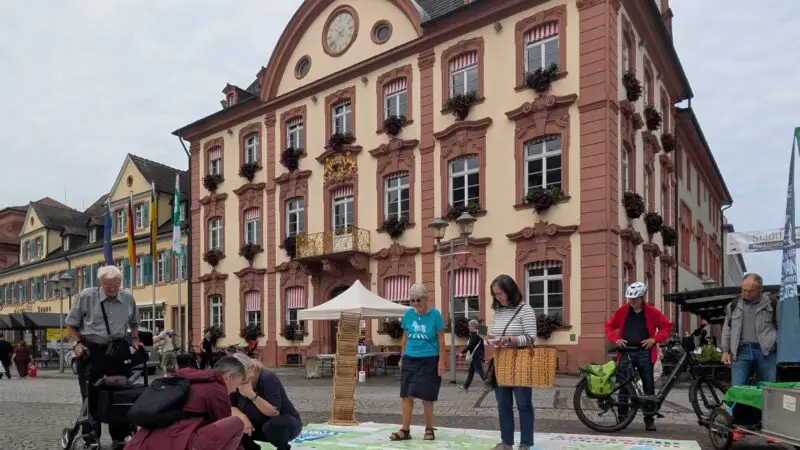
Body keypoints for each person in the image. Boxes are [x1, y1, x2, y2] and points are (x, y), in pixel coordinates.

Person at [65, 265, 141, 449]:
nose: (113, 289)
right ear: (101, 283)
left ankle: (120, 436)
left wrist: (135, 339)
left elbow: (134, 322)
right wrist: (77, 344)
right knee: (91, 395)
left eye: (117, 284)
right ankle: (91, 436)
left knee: (120, 393)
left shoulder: (128, 298)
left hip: (118, 350)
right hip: (92, 350)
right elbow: (70, 325)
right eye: (108, 285)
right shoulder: (86, 297)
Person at [126, 356, 249, 450]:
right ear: (229, 376)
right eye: (237, 384)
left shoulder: (189, 379)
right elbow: (223, 430)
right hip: (176, 441)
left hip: (143, 441)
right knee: (236, 423)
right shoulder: (217, 390)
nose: (235, 390)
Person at [605, 281, 671, 432]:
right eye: (629, 299)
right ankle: (622, 419)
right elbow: (609, 326)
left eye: (634, 299)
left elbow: (666, 327)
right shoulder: (623, 311)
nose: (631, 302)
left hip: (644, 353)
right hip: (625, 352)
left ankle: (649, 419)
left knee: (648, 387)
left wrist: (655, 339)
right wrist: (616, 340)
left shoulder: (652, 312)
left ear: (642, 298)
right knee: (623, 388)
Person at [486, 274, 538, 450]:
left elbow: (531, 338)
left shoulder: (526, 309)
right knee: (503, 405)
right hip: (501, 361)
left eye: (500, 293)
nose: (497, 297)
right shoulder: (498, 311)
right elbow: (496, 334)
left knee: (523, 404)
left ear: (510, 291)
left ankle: (525, 443)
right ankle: (506, 442)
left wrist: (509, 339)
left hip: (521, 361)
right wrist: (490, 339)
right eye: (494, 294)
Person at [389, 283, 445, 442]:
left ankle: (429, 428)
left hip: (429, 359)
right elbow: (405, 338)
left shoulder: (435, 315)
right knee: (406, 395)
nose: (415, 304)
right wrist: (402, 357)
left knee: (427, 395)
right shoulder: (408, 315)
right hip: (410, 358)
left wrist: (442, 361)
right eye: (412, 301)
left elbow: (441, 341)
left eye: (418, 300)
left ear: (426, 299)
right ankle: (405, 430)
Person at [229, 353, 302, 450]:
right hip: (256, 426)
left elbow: (274, 412)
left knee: (272, 425)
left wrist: (251, 395)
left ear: (251, 369)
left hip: (285, 424)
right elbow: (231, 406)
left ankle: (284, 448)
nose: (237, 379)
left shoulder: (267, 377)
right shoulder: (236, 382)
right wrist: (243, 417)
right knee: (232, 423)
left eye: (239, 375)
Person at [720, 273, 779, 386]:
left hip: (766, 352)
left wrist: (778, 347)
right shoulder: (733, 305)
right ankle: (739, 405)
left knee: (768, 389)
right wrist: (725, 351)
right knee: (738, 390)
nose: (746, 293)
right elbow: (727, 329)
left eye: (751, 290)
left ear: (760, 289)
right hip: (741, 352)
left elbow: (781, 327)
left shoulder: (772, 304)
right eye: (744, 290)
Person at [457, 319, 485, 392]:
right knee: (471, 371)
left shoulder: (475, 335)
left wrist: (462, 352)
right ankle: (465, 386)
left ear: (473, 326)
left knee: (480, 371)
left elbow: (471, 345)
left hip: (476, 355)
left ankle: (488, 385)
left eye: (469, 326)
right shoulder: (478, 333)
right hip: (477, 355)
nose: (468, 327)